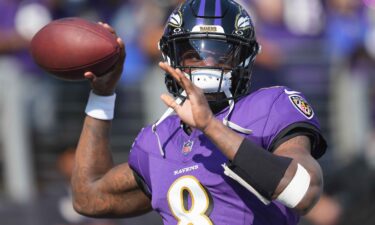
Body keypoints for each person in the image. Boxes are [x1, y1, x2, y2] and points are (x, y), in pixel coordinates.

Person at [71, 0, 327, 224]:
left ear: (244, 59)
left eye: (220, 53)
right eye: (193, 54)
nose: (208, 63)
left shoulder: (270, 106)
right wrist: (102, 95)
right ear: (172, 58)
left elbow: (304, 192)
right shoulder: (160, 139)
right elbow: (88, 198)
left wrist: (211, 126)